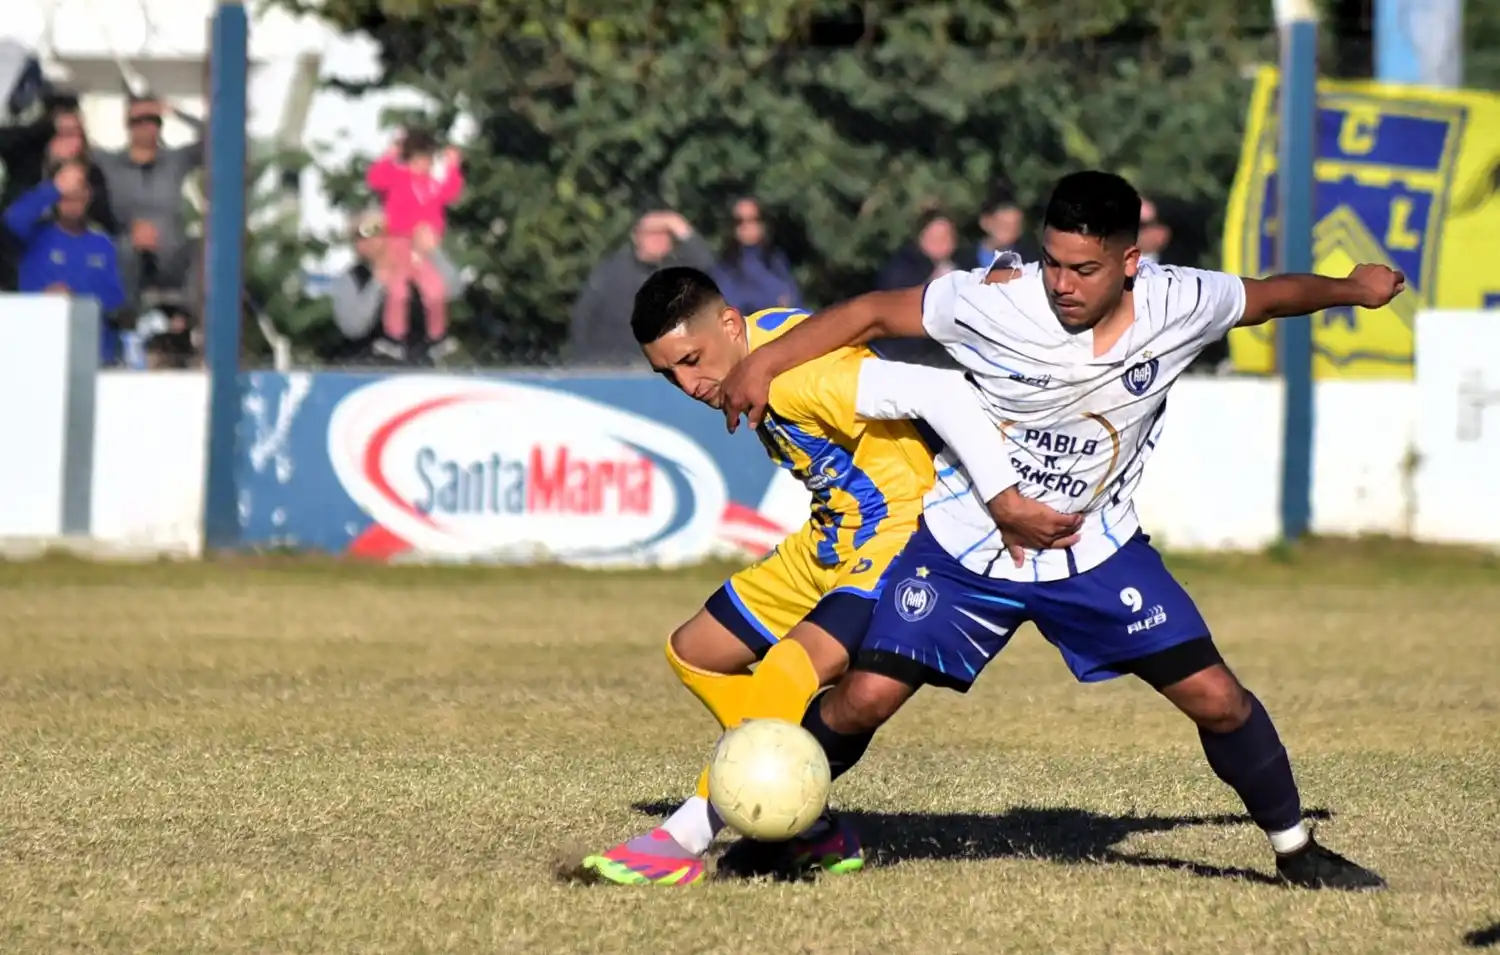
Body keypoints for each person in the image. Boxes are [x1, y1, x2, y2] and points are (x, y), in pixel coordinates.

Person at [717, 171, 1404, 891]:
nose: (1063, 284)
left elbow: (1266, 297)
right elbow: (870, 313)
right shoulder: (993, 300)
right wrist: (764, 361)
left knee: (1219, 698)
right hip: (965, 544)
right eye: (1053, 262)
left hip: (1094, 549)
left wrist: (1350, 288)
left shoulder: (1182, 301)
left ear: (1131, 261)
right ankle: (782, 831)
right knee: (862, 699)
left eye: (1085, 268)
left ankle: (1297, 850)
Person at [580, 265, 1081, 886]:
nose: (689, 384)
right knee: (696, 652)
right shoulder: (760, 342)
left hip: (900, 535)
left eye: (692, 359)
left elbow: (941, 394)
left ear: (731, 325)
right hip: (829, 540)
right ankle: (809, 825)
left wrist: (1003, 500)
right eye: (670, 373)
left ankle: (686, 837)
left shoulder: (799, 374)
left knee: (792, 670)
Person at [2, 160, 126, 363]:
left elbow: (115, 298)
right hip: (37, 347)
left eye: (79, 190)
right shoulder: (35, 236)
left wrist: (74, 299)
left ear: (89, 195)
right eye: (66, 193)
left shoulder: (103, 243)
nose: (72, 198)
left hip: (88, 350)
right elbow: (12, 219)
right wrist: (53, 189)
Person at [569, 209, 716, 365]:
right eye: (652, 233)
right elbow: (582, 318)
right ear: (636, 236)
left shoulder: (676, 272)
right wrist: (584, 364)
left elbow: (709, 268)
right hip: (611, 369)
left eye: (666, 234)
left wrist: (679, 225)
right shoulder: (610, 273)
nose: (658, 240)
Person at [366, 129, 464, 360]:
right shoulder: (398, 178)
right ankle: (394, 337)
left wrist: (452, 166)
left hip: (423, 247)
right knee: (398, 291)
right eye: (420, 159)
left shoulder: (430, 185)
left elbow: (449, 193)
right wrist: (390, 154)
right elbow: (375, 179)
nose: (424, 164)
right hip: (398, 242)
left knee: (435, 291)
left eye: (428, 160)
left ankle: (437, 336)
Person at [711, 197, 801, 315]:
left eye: (754, 219)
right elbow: (733, 304)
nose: (747, 226)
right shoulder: (723, 268)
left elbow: (794, 298)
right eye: (739, 221)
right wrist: (774, 301)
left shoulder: (776, 259)